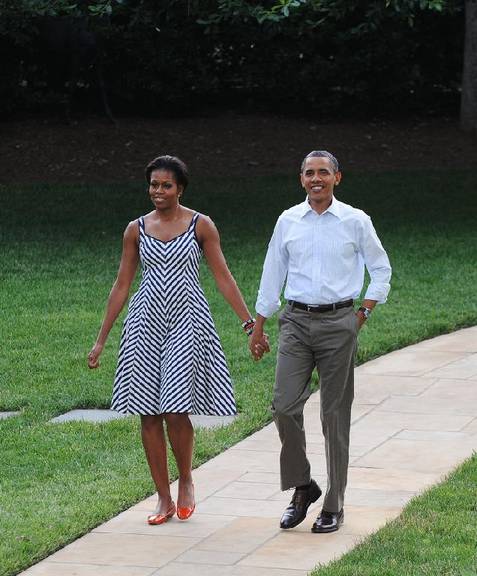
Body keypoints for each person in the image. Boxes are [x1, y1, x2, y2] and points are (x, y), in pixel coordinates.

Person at [88, 155, 261, 525]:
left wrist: (249, 324)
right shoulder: (135, 229)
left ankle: (185, 480)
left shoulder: (201, 225)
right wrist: (102, 339)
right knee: (148, 412)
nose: (158, 191)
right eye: (153, 185)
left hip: (187, 322)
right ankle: (162, 498)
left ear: (180, 188)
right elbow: (121, 285)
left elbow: (223, 277)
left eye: (166, 185)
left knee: (175, 407)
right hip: (144, 324)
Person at [249, 150, 391, 533]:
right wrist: (259, 325)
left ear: (337, 178)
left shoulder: (355, 221)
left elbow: (381, 269)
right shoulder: (288, 220)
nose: (316, 179)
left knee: (334, 416)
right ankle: (303, 485)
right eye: (309, 173)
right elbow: (272, 272)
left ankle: (334, 503)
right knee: (283, 405)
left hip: (339, 323)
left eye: (323, 172)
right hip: (294, 322)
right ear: (301, 179)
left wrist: (361, 315)